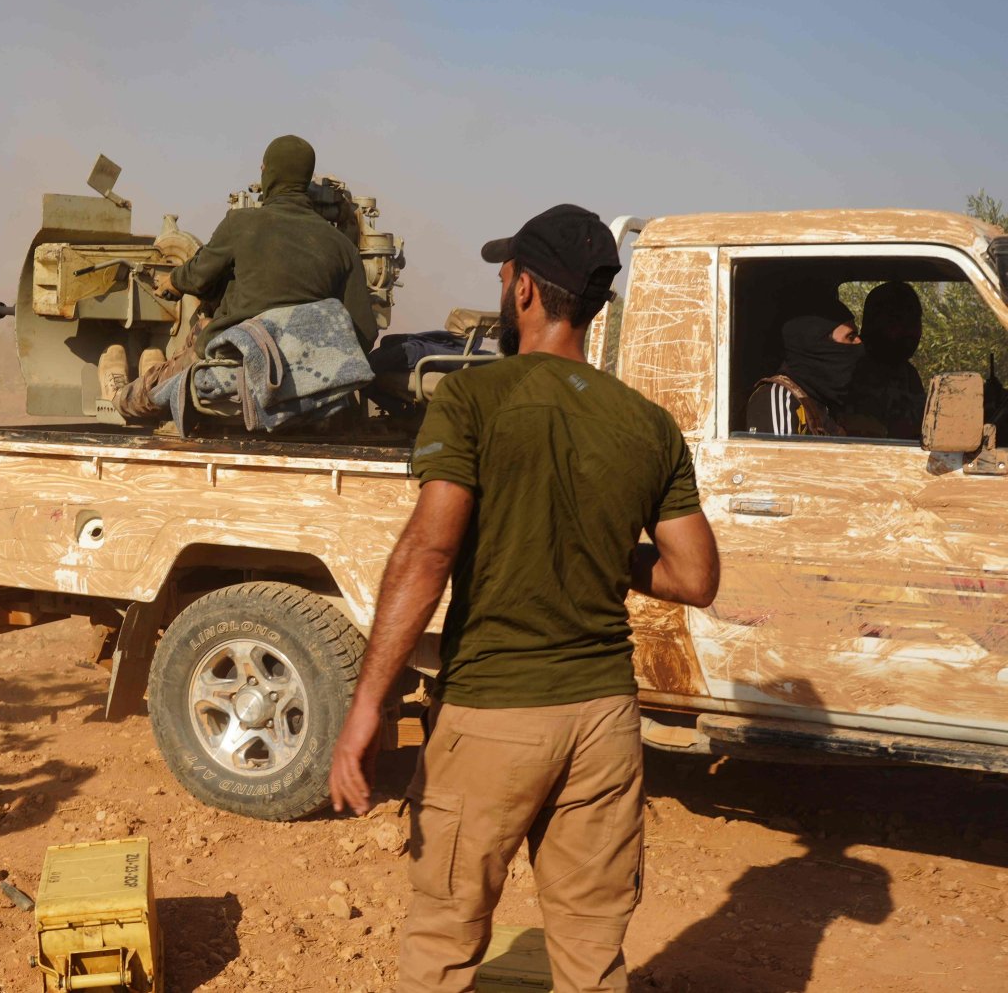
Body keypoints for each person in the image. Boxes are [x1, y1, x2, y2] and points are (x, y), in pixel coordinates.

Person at [327, 203, 721, 993]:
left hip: (493, 716)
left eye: (505, 274)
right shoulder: (647, 425)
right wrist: (607, 552)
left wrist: (369, 703)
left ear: (525, 291)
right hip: (604, 724)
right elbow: (694, 578)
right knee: (589, 956)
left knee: (444, 941)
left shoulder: (472, 400)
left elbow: (429, 551)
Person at [103, 134, 378, 420]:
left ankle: (119, 393)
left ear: (268, 173)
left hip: (232, 359)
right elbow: (364, 331)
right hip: (305, 384)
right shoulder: (342, 246)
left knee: (138, 399)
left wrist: (173, 281)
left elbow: (198, 277)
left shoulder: (241, 224)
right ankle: (151, 366)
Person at [744, 305, 862, 436]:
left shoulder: (827, 396)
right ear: (819, 345)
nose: (859, 343)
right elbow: (778, 454)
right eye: (850, 337)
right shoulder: (780, 397)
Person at [841, 281, 926, 438]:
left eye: (914, 321)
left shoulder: (907, 373)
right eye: (898, 321)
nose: (910, 331)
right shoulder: (851, 370)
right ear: (875, 322)